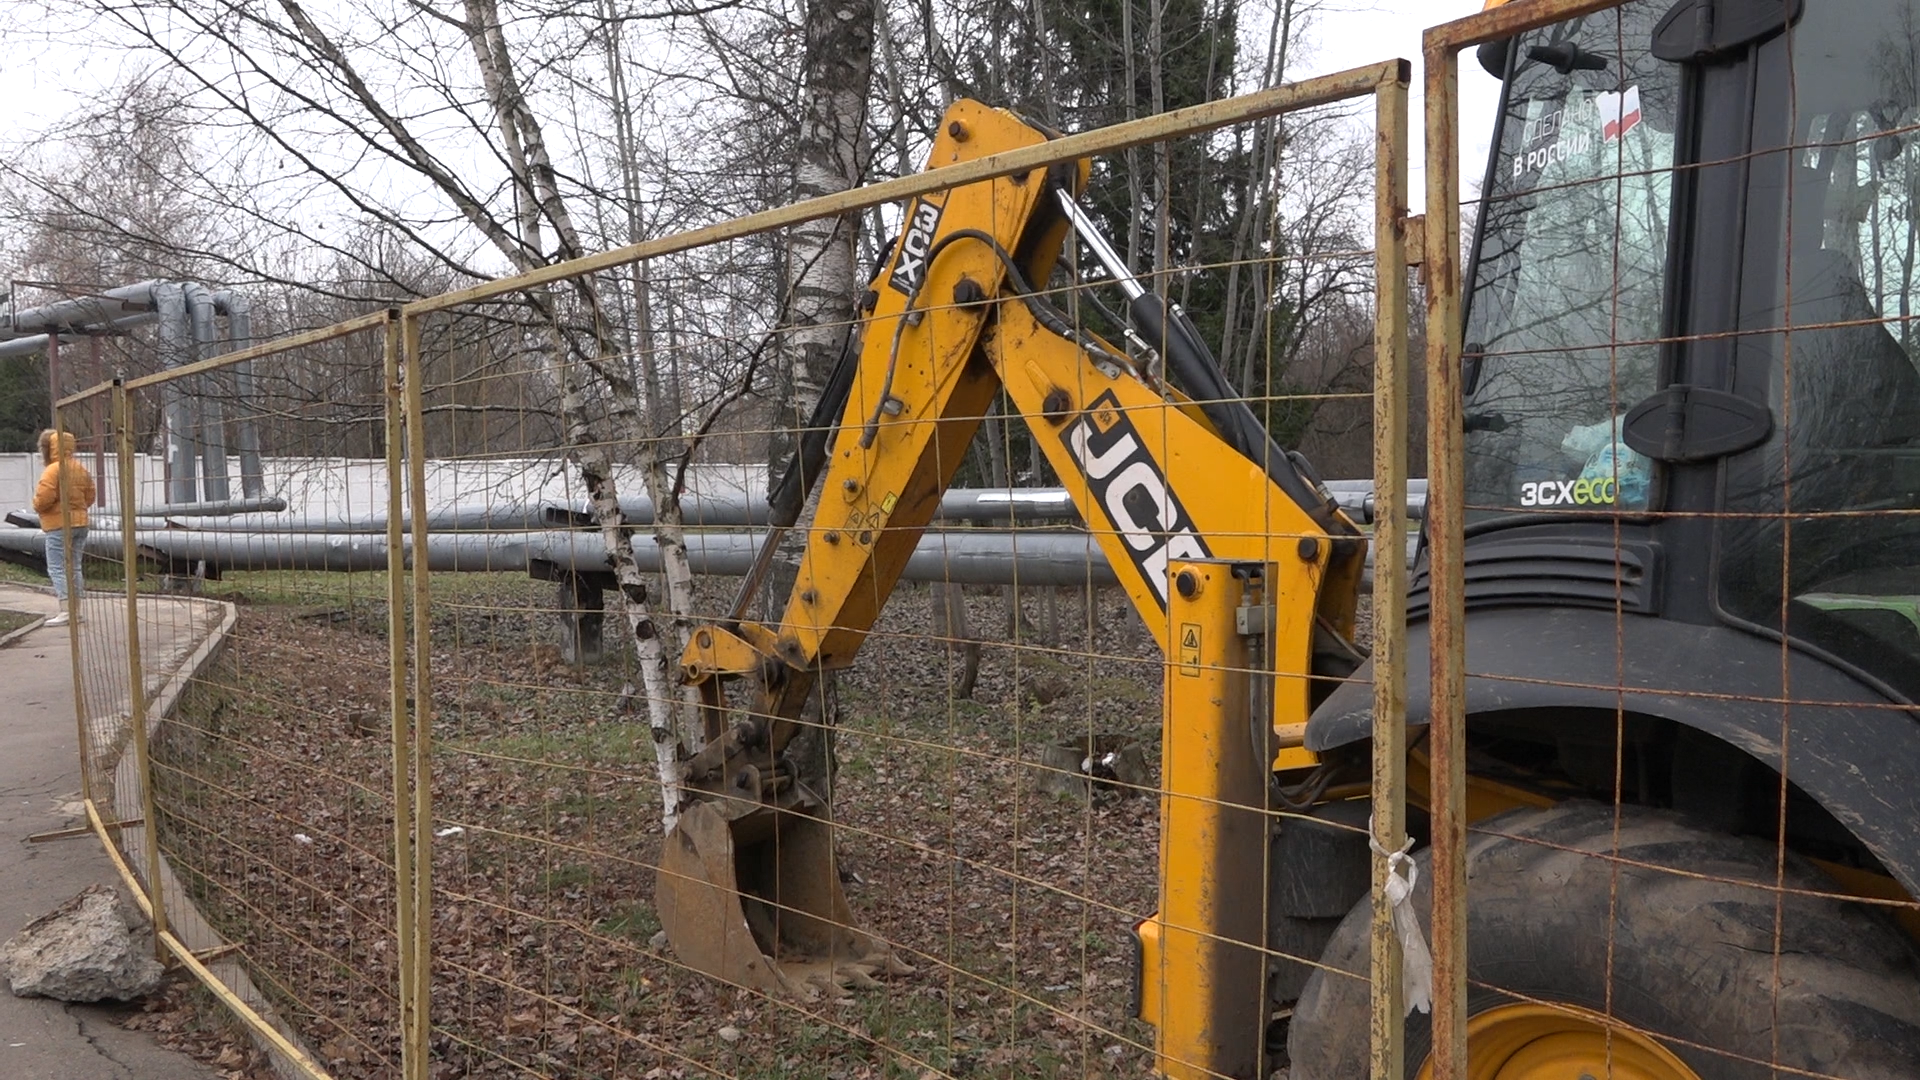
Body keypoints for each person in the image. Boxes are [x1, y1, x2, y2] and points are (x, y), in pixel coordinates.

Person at [33, 429, 95, 627]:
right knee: (75, 566)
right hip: (81, 523)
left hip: (58, 525)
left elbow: (44, 498)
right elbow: (90, 496)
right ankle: (76, 611)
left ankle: (66, 611)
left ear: (50, 447)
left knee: (57, 567)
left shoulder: (53, 470)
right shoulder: (80, 468)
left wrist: (36, 505)